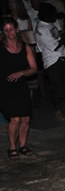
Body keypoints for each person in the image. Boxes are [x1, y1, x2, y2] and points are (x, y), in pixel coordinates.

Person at [1, 18, 37, 158]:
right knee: (15, 119)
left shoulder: (25, 47)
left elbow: (34, 69)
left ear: (17, 29)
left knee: (25, 119)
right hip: (5, 87)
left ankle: (23, 145)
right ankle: (11, 147)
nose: (9, 32)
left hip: (21, 86)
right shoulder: (1, 48)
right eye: (6, 30)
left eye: (11, 29)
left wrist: (21, 72)